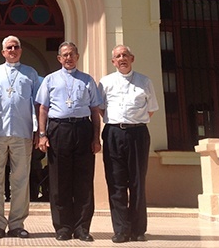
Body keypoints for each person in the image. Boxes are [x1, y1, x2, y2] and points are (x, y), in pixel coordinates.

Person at [36, 41, 102, 242]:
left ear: (78, 56)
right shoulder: (50, 79)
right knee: (59, 179)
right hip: (59, 129)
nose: (68, 58)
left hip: (83, 128)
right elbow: (43, 109)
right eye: (64, 55)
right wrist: (42, 134)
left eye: (72, 54)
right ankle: (63, 227)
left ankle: (82, 227)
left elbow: (94, 110)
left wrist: (95, 137)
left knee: (83, 179)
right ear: (59, 58)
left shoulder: (87, 80)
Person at [98, 45, 159, 243]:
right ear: (113, 62)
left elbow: (151, 109)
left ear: (132, 58)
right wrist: (118, 123)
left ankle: (138, 229)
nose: (122, 58)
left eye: (125, 55)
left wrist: (134, 122)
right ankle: (121, 230)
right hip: (114, 133)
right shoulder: (105, 82)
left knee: (137, 182)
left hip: (138, 133)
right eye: (118, 56)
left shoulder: (144, 81)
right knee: (116, 183)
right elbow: (101, 108)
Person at [0, 35, 41, 239]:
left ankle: (17, 224)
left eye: (16, 46)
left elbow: (37, 103)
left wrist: (37, 131)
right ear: (3, 52)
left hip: (22, 132)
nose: (12, 50)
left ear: (21, 50)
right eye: (9, 47)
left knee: (20, 180)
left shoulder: (30, 73)